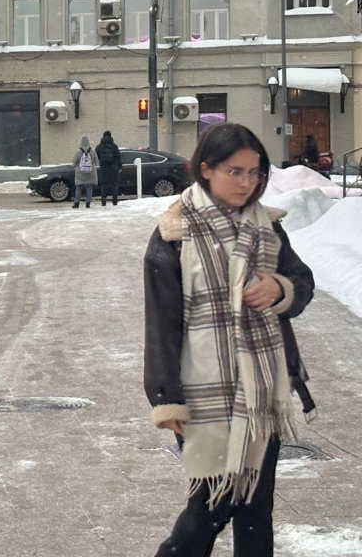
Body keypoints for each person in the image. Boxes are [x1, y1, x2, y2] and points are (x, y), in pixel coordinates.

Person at [145, 123, 315, 557]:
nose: (247, 183)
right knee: (213, 503)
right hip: (201, 393)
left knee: (257, 506)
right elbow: (162, 325)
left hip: (263, 389)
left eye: (255, 173)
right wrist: (166, 398)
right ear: (206, 170)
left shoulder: (267, 227)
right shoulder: (173, 234)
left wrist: (279, 288)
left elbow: (302, 282)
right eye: (234, 172)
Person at [96, 130, 123, 206]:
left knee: (104, 185)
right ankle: (114, 201)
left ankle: (103, 201)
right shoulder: (114, 146)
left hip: (104, 169)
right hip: (113, 168)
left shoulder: (99, 147)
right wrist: (120, 167)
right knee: (114, 185)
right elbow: (118, 157)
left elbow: (96, 157)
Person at [72, 135, 98, 208]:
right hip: (90, 172)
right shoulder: (92, 151)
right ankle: (88, 203)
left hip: (80, 172)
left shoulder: (78, 151)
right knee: (89, 187)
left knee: (79, 188)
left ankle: (77, 203)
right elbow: (96, 161)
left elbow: (74, 162)